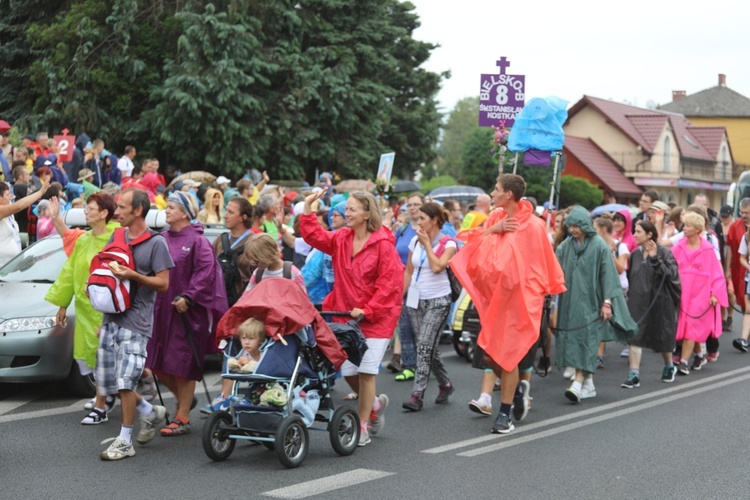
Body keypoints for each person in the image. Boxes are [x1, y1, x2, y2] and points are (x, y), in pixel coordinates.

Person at [452, 174, 565, 433]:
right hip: (494, 300)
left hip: (521, 303)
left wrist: (536, 294)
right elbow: (469, 241)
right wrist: (495, 229)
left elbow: (543, 264)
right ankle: (514, 393)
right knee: (491, 355)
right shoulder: (494, 218)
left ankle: (504, 415)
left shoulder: (535, 227)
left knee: (509, 357)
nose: (492, 193)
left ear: (509, 195)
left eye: (496, 189)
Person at [300, 190, 403, 447]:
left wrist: (368, 310)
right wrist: (308, 207)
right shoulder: (341, 238)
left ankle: (363, 425)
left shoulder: (383, 244)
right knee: (347, 371)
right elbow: (314, 235)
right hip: (344, 315)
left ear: (368, 214)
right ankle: (376, 403)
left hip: (376, 319)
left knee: (367, 371)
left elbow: (389, 284)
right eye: (346, 209)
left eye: (353, 209)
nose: (347, 213)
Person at [97, 189, 173, 461]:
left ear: (138, 210)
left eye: (121, 207)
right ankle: (150, 413)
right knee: (112, 383)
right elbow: (107, 269)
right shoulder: (117, 236)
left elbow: (163, 284)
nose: (116, 212)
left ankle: (125, 440)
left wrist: (133, 274)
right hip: (111, 318)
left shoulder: (156, 243)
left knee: (126, 381)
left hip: (136, 321)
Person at [145, 191, 228, 436]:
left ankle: (182, 417)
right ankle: (184, 399)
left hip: (187, 311)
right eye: (167, 207)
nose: (166, 210)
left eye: (171, 207)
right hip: (161, 309)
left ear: (184, 212)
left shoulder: (198, 240)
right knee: (157, 363)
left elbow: (205, 272)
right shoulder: (160, 238)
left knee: (183, 362)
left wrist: (189, 297)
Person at [45, 193, 120, 423]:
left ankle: (108, 405)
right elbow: (70, 272)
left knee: (107, 357)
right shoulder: (84, 240)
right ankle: (105, 399)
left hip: (111, 310)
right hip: (86, 310)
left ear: (104, 213)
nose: (85, 211)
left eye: (90, 208)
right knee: (93, 356)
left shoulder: (118, 237)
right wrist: (62, 304)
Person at [555, 206, 638, 403]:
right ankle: (589, 384)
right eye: (571, 226)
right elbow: (555, 270)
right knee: (573, 339)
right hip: (569, 302)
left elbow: (608, 275)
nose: (573, 230)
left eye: (577, 226)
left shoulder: (599, 246)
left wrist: (607, 303)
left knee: (587, 339)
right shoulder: (564, 247)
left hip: (592, 302)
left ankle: (578, 382)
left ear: (585, 224)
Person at [401, 203, 457, 411]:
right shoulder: (415, 241)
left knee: (425, 344)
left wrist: (426, 245)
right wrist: (401, 294)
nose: (419, 222)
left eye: (423, 218)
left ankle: (417, 394)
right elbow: (408, 270)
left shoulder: (448, 242)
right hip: (416, 299)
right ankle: (445, 384)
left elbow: (436, 267)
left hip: (438, 300)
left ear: (434, 220)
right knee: (426, 346)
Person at [622, 220, 681, 387]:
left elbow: (670, 275)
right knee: (634, 336)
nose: (635, 235)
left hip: (661, 301)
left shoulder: (665, 253)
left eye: (638, 232)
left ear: (649, 234)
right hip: (637, 301)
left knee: (662, 335)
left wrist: (655, 258)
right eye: (634, 231)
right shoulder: (634, 254)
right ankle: (634, 375)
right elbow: (630, 277)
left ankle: (669, 366)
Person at [672, 212, 728, 374]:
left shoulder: (708, 249)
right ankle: (699, 355)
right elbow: (669, 265)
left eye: (688, 225)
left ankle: (683, 362)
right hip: (683, 292)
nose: (685, 228)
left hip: (701, 294)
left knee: (691, 325)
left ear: (697, 229)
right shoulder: (679, 246)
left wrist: (714, 294)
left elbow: (717, 274)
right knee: (689, 326)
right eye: (685, 225)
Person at [389, 192, 425, 380]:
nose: (412, 208)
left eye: (417, 205)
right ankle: (409, 364)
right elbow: (391, 252)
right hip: (402, 282)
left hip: (421, 284)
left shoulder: (428, 228)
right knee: (405, 325)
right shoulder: (402, 229)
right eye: (409, 205)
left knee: (420, 326)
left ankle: (426, 362)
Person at [593, 216, 630, 367]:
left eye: (595, 229)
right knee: (602, 320)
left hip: (619, 287)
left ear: (603, 230)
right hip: (602, 286)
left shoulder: (621, 246)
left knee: (621, 321)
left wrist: (609, 253)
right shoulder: (595, 245)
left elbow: (621, 268)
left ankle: (632, 344)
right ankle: (598, 355)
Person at [0, 181, 48, 265]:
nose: (11, 197)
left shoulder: (9, 215)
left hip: (13, 264)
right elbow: (19, 206)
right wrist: (40, 192)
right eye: (7, 195)